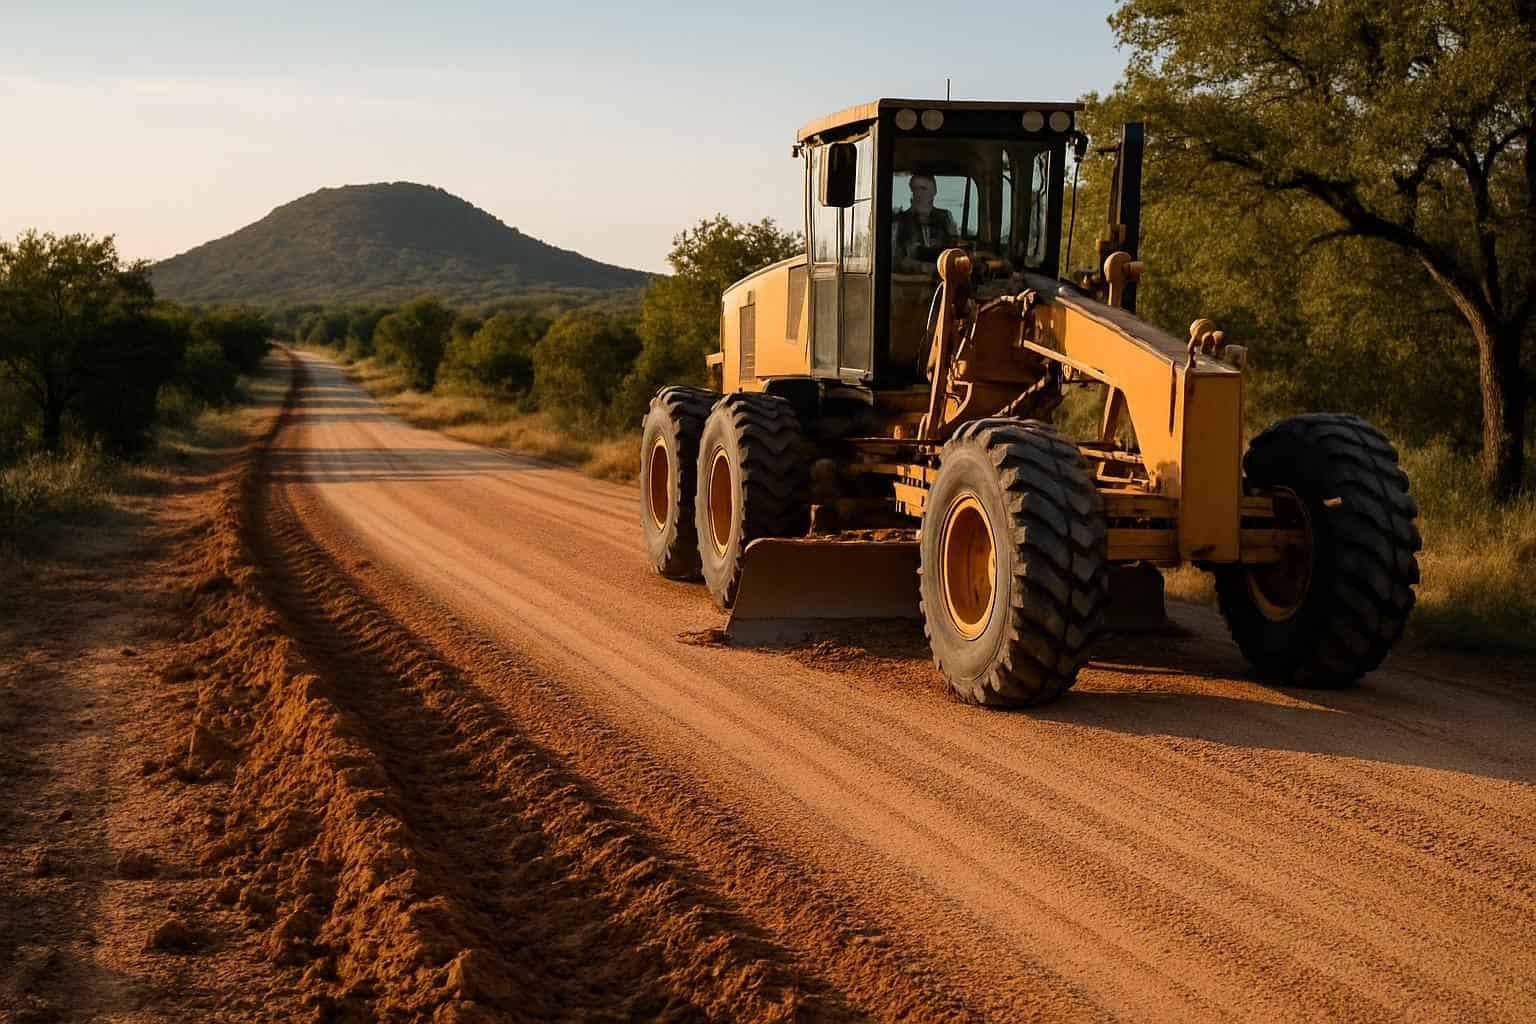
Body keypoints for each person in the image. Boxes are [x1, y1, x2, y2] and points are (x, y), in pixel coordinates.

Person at [892, 172, 959, 274]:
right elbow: (895, 258)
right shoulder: (900, 220)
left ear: (933, 192)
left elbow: (954, 251)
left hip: (942, 278)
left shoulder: (944, 218)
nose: (918, 194)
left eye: (923, 189)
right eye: (915, 189)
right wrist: (920, 266)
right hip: (907, 283)